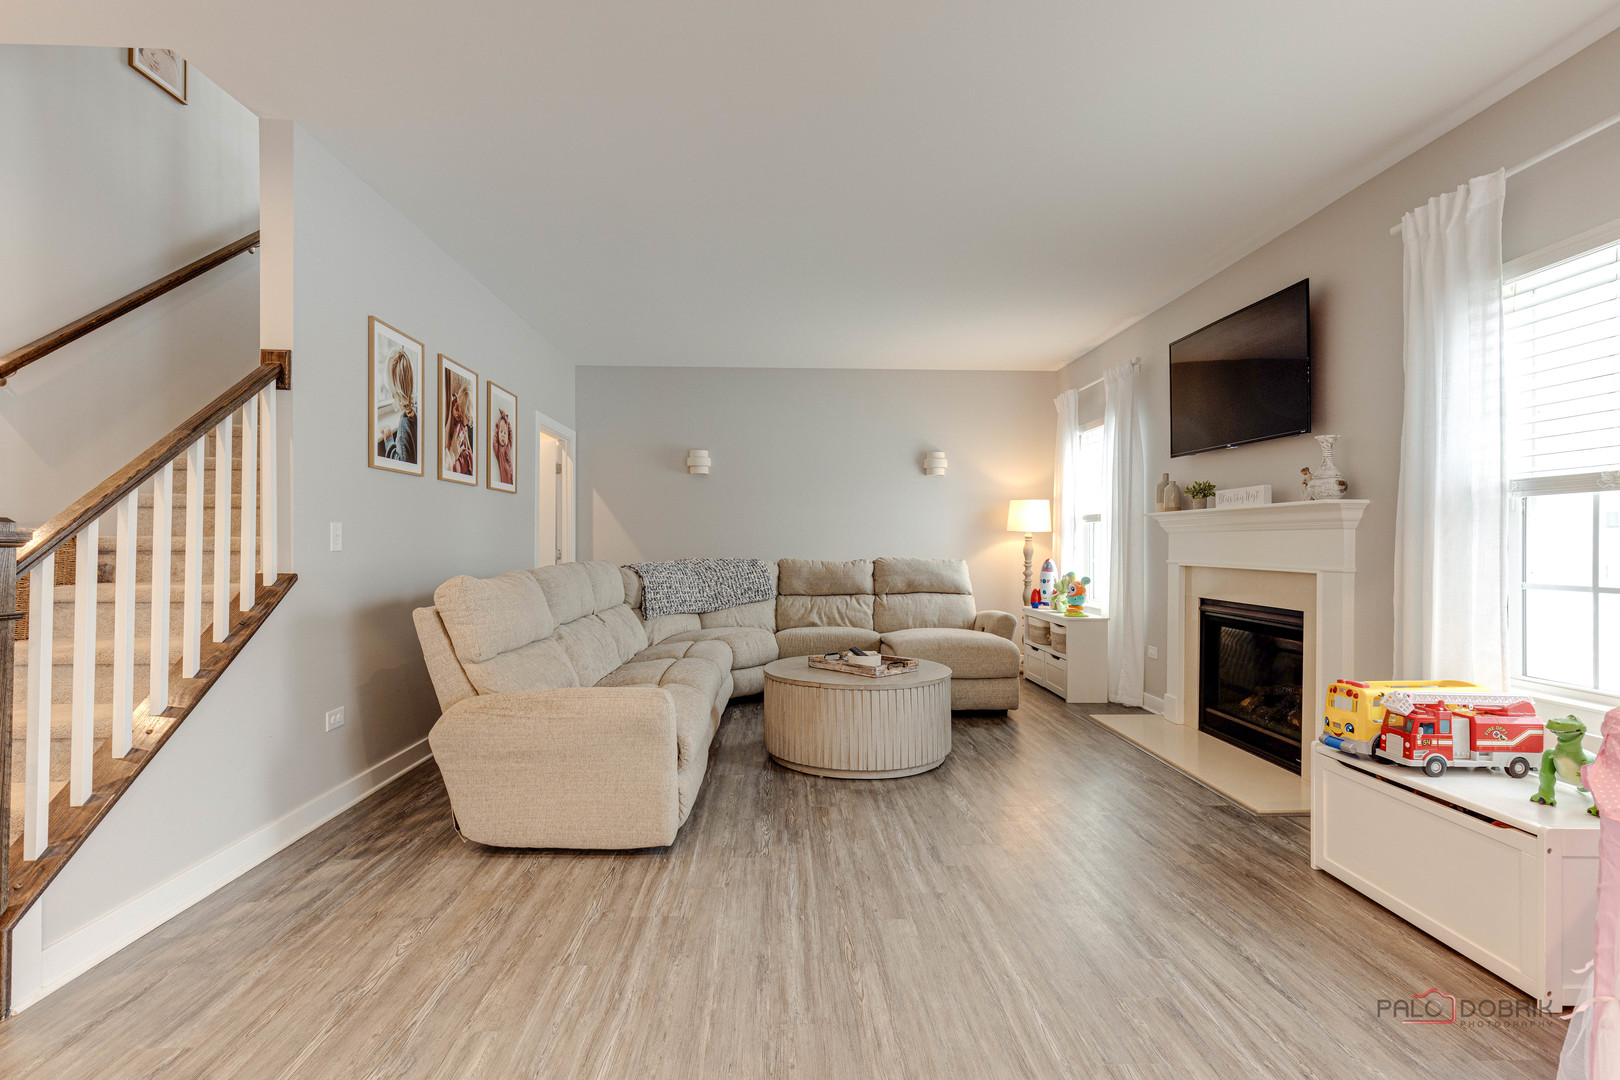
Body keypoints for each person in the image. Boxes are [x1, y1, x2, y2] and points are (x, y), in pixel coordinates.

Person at [381, 349, 417, 463]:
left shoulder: (404, 425)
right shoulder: (416, 411)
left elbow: (400, 462)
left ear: (393, 392)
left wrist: (388, 439)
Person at [445, 381, 476, 476]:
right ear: (461, 412)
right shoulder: (457, 423)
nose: (468, 423)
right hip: (458, 452)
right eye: (468, 418)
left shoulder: (458, 407)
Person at [493, 408, 514, 485]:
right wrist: (496, 430)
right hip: (504, 476)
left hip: (510, 473)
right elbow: (494, 442)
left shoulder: (508, 444)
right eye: (501, 432)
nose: (503, 435)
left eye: (505, 433)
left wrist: (508, 424)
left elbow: (510, 436)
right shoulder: (498, 449)